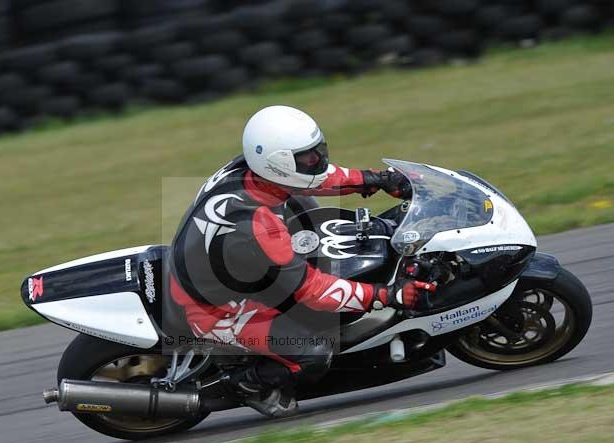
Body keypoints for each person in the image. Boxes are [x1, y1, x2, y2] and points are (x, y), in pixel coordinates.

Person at [168, 105, 434, 417]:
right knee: (315, 353)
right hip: (210, 310)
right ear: (278, 162)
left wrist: (374, 179)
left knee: (307, 207)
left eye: (316, 152)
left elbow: (311, 178)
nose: (317, 161)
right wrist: (385, 296)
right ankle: (250, 384)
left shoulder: (249, 170)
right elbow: (312, 291)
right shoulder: (257, 226)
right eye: (307, 157)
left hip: (220, 265)